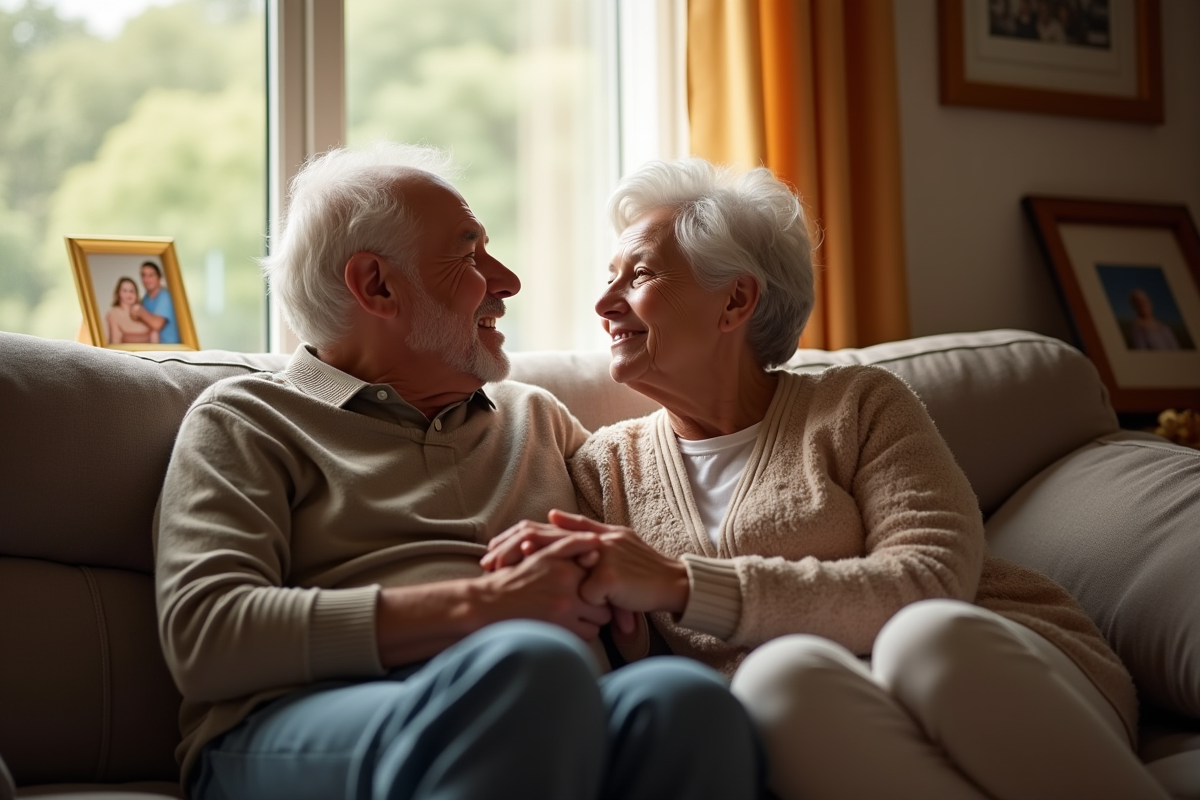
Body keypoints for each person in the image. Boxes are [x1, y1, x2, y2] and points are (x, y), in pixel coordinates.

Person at [484, 158, 1169, 800]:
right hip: (830, 720)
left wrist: (682, 585)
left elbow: (929, 581)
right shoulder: (604, 467)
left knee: (921, 634)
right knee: (775, 678)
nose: (605, 302)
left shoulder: (858, 404)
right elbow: (640, 664)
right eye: (609, 276)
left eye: (637, 276)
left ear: (736, 302)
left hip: (1001, 670)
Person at [154, 143, 763, 800]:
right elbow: (206, 634)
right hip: (300, 724)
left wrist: (623, 615)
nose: (507, 281)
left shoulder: (537, 418)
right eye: (469, 255)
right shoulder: (248, 419)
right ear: (377, 285)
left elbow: (631, 607)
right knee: (532, 666)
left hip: (540, 703)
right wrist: (484, 606)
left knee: (683, 701)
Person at [132, 260, 180, 343]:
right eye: (143, 275)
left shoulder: (166, 296)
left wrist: (140, 311)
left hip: (171, 349)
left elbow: (157, 324)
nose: (146, 279)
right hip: (154, 349)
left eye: (151, 275)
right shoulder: (145, 299)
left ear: (159, 277)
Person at [105, 276, 158, 344]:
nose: (129, 294)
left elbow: (154, 332)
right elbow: (115, 342)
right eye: (125, 291)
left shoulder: (142, 311)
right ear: (118, 294)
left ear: (136, 294)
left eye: (131, 291)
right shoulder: (113, 314)